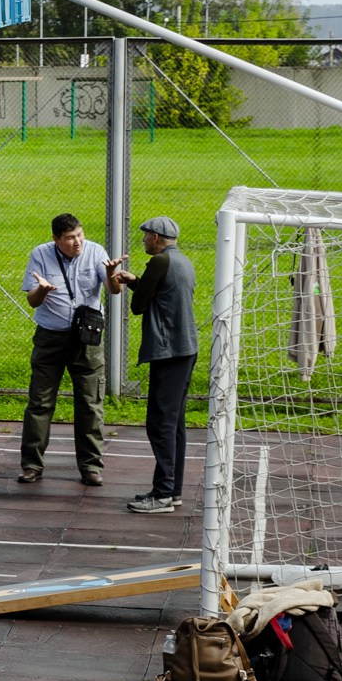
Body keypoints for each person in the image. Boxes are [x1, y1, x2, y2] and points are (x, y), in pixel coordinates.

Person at [19, 211, 123, 486]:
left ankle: (90, 466)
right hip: (50, 337)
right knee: (40, 403)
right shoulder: (40, 255)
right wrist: (43, 289)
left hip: (86, 339)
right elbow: (32, 301)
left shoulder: (95, 251)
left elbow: (114, 291)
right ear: (56, 240)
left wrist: (111, 274)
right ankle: (31, 465)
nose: (77, 242)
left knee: (90, 403)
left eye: (79, 235)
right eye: (69, 238)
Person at [116, 215, 198, 514]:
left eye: (145, 236)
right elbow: (161, 294)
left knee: (160, 424)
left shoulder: (159, 263)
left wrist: (132, 284)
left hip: (169, 351)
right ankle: (171, 491)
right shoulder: (183, 261)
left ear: (156, 238)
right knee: (174, 424)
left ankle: (163, 494)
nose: (143, 241)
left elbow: (139, 307)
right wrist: (137, 281)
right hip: (186, 348)